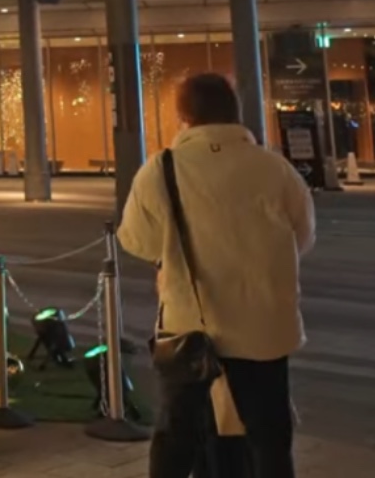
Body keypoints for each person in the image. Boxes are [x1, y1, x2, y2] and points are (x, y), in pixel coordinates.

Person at [119, 74, 316, 478]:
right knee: (269, 437)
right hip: (264, 323)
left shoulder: (161, 169)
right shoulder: (275, 168)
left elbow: (138, 241)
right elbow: (303, 236)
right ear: (235, 112)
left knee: (177, 435)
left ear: (184, 115)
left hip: (191, 326)